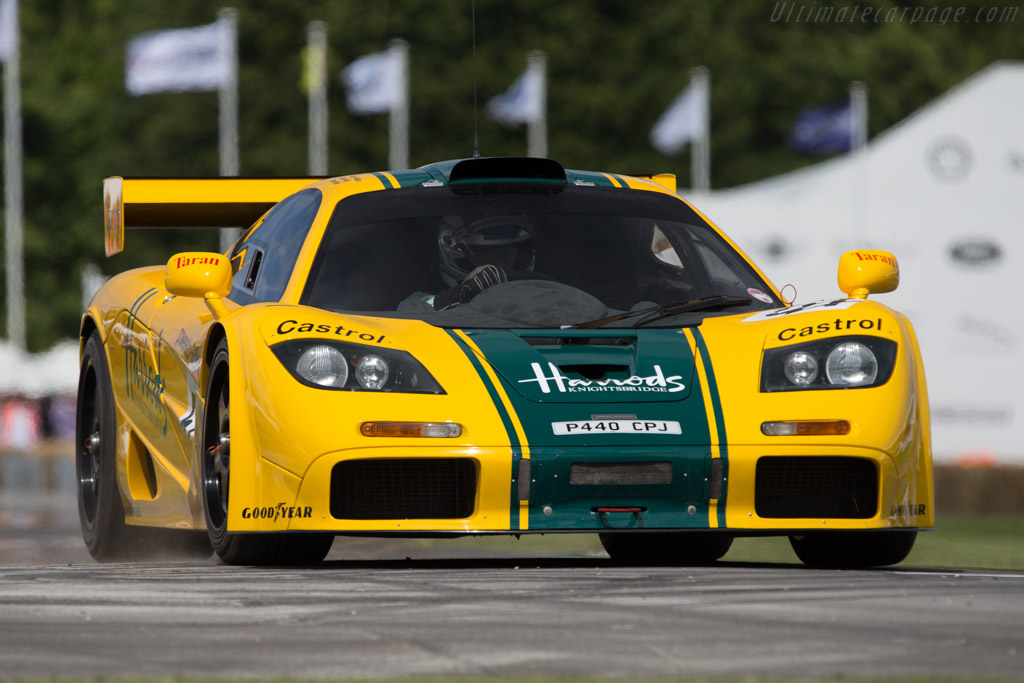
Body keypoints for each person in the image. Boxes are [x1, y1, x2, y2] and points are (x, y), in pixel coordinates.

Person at [429, 215, 537, 310]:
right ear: (456, 256)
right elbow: (419, 305)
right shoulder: (418, 308)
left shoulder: (544, 298)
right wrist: (454, 297)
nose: (499, 264)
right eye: (484, 254)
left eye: (507, 253)